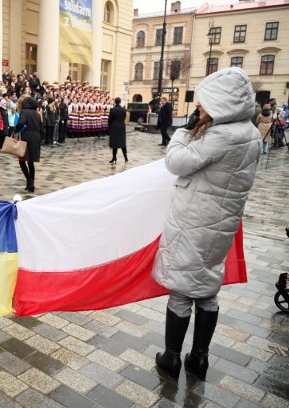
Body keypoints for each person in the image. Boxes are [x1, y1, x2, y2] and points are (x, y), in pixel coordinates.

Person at [152, 67, 261, 381]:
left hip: (195, 221)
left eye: (203, 104)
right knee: (207, 291)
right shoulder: (250, 133)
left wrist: (183, 132)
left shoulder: (221, 135)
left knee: (183, 292)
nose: (198, 109)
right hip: (221, 224)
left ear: (220, 102)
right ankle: (199, 359)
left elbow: (176, 162)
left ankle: (171, 358)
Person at [15, 96, 41, 192]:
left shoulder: (24, 112)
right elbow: (41, 126)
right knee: (30, 162)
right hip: (36, 137)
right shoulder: (37, 114)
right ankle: (31, 183)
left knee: (22, 160)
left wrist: (16, 130)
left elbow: (21, 123)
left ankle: (29, 182)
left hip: (26, 137)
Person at [107, 97, 127, 164]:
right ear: (120, 102)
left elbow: (110, 119)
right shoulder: (123, 109)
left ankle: (114, 157)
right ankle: (125, 157)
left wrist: (109, 127)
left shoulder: (113, 109)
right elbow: (124, 118)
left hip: (114, 127)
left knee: (114, 143)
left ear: (115, 102)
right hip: (121, 127)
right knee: (122, 142)